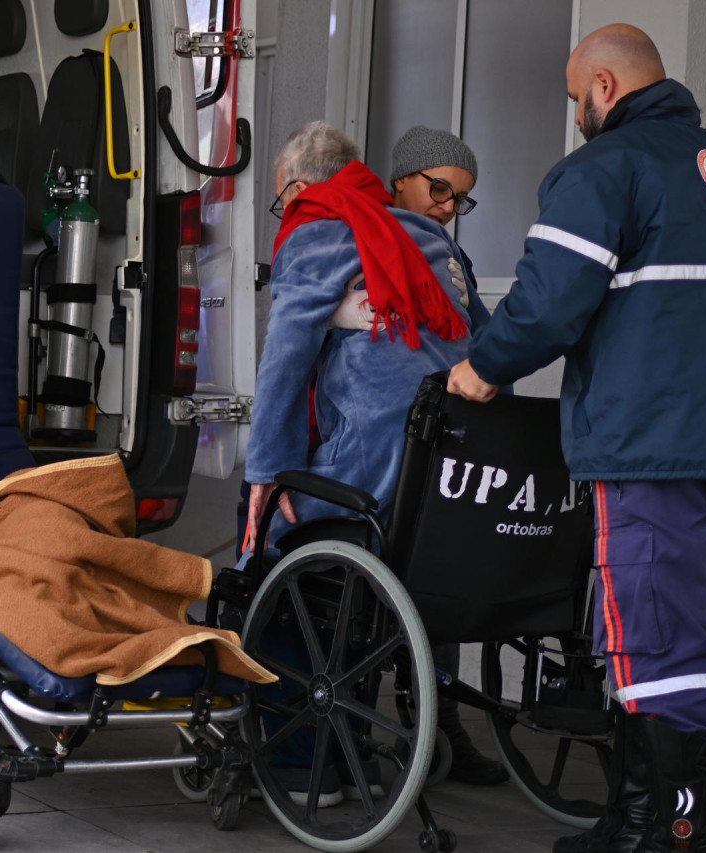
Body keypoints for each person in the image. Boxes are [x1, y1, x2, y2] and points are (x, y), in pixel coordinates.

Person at [447, 24, 706, 853]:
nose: (576, 114)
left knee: (646, 630)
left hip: (650, 443)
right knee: (690, 627)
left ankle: (658, 831)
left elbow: (547, 303)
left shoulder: (603, 170)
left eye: (576, 98)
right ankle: (665, 818)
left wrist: (483, 369)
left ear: (604, 87)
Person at [244, 120, 488, 806]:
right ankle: (354, 757)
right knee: (356, 586)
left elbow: (285, 366)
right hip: (447, 481)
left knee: (273, 554)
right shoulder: (435, 246)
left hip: (376, 470)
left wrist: (264, 476)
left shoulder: (318, 227)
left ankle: (301, 762)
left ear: (297, 187)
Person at [372, 124, 509, 789]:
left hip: (442, 439)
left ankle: (440, 719)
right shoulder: (362, 235)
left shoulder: (452, 259)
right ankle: (386, 724)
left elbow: (484, 336)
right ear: (402, 179)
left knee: (441, 569)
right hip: (377, 442)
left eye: (460, 198)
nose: (449, 205)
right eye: (440, 188)